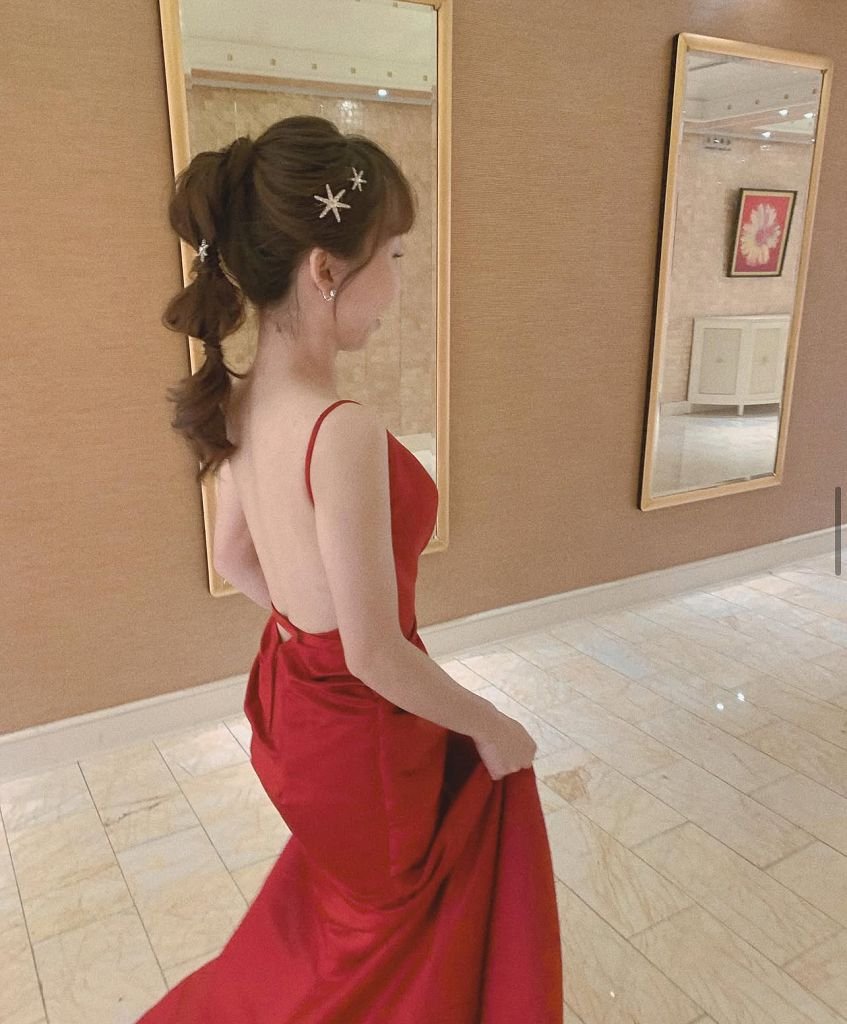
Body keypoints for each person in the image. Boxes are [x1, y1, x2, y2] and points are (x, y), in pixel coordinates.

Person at [137, 115, 562, 1022]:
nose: (396, 285)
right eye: (393, 257)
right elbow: (374, 653)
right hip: (363, 734)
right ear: (326, 270)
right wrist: (496, 726)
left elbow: (233, 555)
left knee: (351, 914)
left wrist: (307, 633)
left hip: (295, 703)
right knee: (382, 931)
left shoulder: (245, 400)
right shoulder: (341, 432)